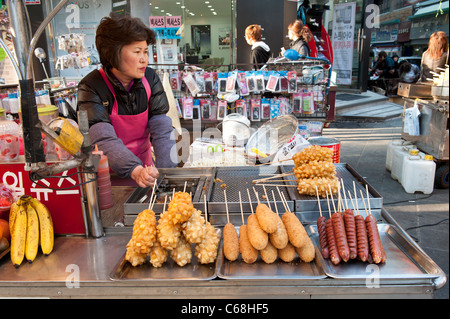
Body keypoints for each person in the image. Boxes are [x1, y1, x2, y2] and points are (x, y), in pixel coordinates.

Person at [77, 13, 176, 188]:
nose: (144, 58)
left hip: (145, 172)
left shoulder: (150, 78)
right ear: (113, 53)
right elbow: (103, 138)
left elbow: (161, 128)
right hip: (107, 177)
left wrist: (167, 172)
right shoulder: (91, 86)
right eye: (137, 52)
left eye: (145, 51)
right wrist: (134, 170)